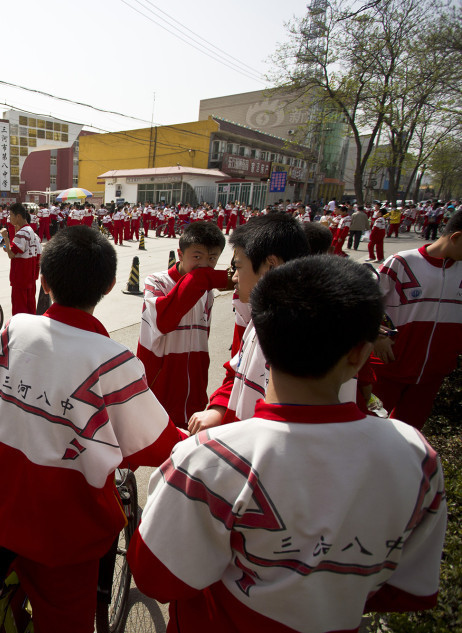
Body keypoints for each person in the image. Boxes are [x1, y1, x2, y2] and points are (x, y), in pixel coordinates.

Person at [130, 255, 447, 633]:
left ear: (257, 339)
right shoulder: (416, 456)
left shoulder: (210, 458)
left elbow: (157, 578)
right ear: (362, 354)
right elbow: (407, 591)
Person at [0, 226, 185, 633]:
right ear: (109, 285)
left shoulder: (14, 329)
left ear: (43, 279)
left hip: (1, 505)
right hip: (66, 529)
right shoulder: (112, 359)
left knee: (4, 613)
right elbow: (155, 446)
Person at [188, 214, 310, 433]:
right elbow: (237, 372)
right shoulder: (259, 316)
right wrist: (219, 410)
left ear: (270, 265)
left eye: (239, 267)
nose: (233, 277)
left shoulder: (300, 335)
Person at [369, 211, 462, 429]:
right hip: (388, 368)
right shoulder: (402, 262)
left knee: (410, 433)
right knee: (371, 430)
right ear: (456, 237)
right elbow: (366, 303)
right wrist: (375, 334)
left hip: (432, 374)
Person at [137, 222, 230, 428]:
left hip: (194, 379)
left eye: (212, 258)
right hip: (162, 381)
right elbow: (164, 321)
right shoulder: (156, 283)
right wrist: (205, 278)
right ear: (180, 254)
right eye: (197, 257)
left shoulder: (206, 291)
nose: (204, 265)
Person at [0, 203, 41, 316]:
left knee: (19, 310)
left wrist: (6, 238)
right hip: (29, 276)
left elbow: (11, 255)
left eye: (11, 215)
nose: (10, 218)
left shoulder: (22, 233)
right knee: (30, 307)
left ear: (18, 216)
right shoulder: (31, 231)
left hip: (20, 276)